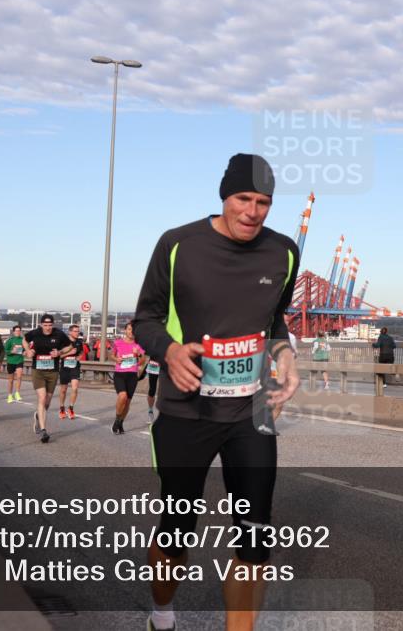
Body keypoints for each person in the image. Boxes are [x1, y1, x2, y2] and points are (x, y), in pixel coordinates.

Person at [133, 153, 300, 631]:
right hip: (186, 412)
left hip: (253, 412)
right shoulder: (177, 244)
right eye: (243, 199)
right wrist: (168, 351)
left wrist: (284, 355)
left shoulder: (284, 252)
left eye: (263, 202)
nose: (252, 211)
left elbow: (274, 320)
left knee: (255, 534)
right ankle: (162, 613)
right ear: (224, 197)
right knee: (178, 530)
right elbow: (143, 319)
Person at [24, 314, 72, 444]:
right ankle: (44, 430)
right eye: (45, 325)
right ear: (41, 325)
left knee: (48, 402)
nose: (47, 328)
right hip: (38, 370)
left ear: (53, 324)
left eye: (50, 325)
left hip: (53, 371)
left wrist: (59, 352)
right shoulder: (35, 333)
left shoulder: (59, 334)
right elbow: (24, 339)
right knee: (42, 397)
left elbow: (69, 346)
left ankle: (38, 416)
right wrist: (28, 350)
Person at [111, 321, 145, 434]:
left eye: (134, 330)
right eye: (130, 329)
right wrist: (117, 359)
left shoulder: (139, 344)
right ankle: (117, 419)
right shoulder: (117, 343)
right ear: (125, 330)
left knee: (128, 402)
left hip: (132, 375)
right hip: (120, 374)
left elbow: (142, 361)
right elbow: (112, 355)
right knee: (122, 396)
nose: (132, 332)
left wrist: (138, 354)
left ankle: (120, 423)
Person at [58, 324, 85, 420]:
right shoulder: (64, 342)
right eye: (75, 331)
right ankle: (61, 408)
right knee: (63, 390)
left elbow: (81, 352)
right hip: (65, 368)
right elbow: (58, 356)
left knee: (74, 388)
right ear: (70, 332)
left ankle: (71, 408)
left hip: (75, 367)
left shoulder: (79, 342)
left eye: (78, 331)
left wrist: (79, 357)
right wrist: (69, 353)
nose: (77, 333)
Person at [4, 325, 26, 403]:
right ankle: (10, 395)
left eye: (19, 331)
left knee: (19, 376)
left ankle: (17, 393)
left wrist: (24, 352)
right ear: (13, 332)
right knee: (11, 380)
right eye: (16, 331)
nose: (18, 332)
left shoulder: (23, 340)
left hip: (19, 360)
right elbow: (5, 351)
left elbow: (25, 349)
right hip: (11, 361)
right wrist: (11, 352)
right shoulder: (10, 340)